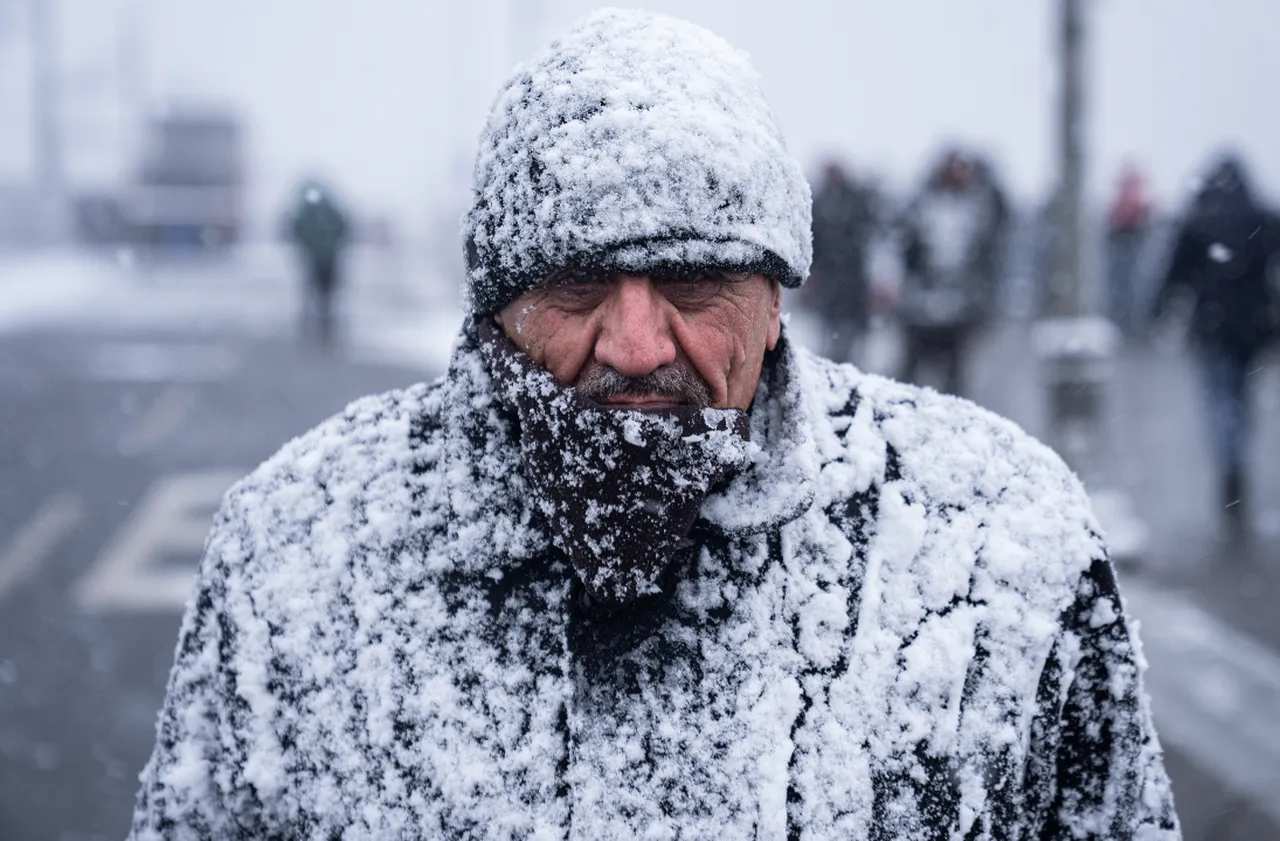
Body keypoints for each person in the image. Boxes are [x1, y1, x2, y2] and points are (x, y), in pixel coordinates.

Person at [128, 11, 1179, 840]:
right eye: (578, 281)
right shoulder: (294, 556)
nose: (636, 340)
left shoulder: (998, 551)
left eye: (690, 279)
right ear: (496, 304)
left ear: (775, 303)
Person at [1152, 154, 1280, 531]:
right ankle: (1236, 453)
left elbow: (1175, 272)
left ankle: (1230, 459)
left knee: (1218, 396)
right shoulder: (1262, 217)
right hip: (1253, 326)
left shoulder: (1199, 219)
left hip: (1213, 324)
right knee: (1240, 394)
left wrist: (1157, 310)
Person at [896, 148, 1009, 396]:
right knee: (911, 379)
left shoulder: (979, 209)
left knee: (955, 381)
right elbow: (908, 250)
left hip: (960, 312)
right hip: (922, 310)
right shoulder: (923, 205)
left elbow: (989, 257)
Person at [806, 160, 880, 363]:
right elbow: (814, 239)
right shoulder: (818, 200)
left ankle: (848, 362)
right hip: (829, 279)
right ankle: (829, 360)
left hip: (853, 279)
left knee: (851, 332)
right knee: (827, 329)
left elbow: (867, 237)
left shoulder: (857, 200)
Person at [286, 178, 350, 346]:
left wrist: (333, 244)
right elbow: (294, 229)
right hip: (316, 258)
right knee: (315, 294)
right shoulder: (309, 212)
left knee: (323, 295)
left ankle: (323, 327)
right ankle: (316, 327)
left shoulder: (324, 211)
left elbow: (344, 229)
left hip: (327, 258)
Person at [1106, 165, 1154, 338]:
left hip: (1126, 242)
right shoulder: (1136, 198)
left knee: (1125, 285)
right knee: (1129, 284)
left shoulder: (1125, 197)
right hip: (1129, 242)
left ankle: (1125, 321)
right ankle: (1129, 322)